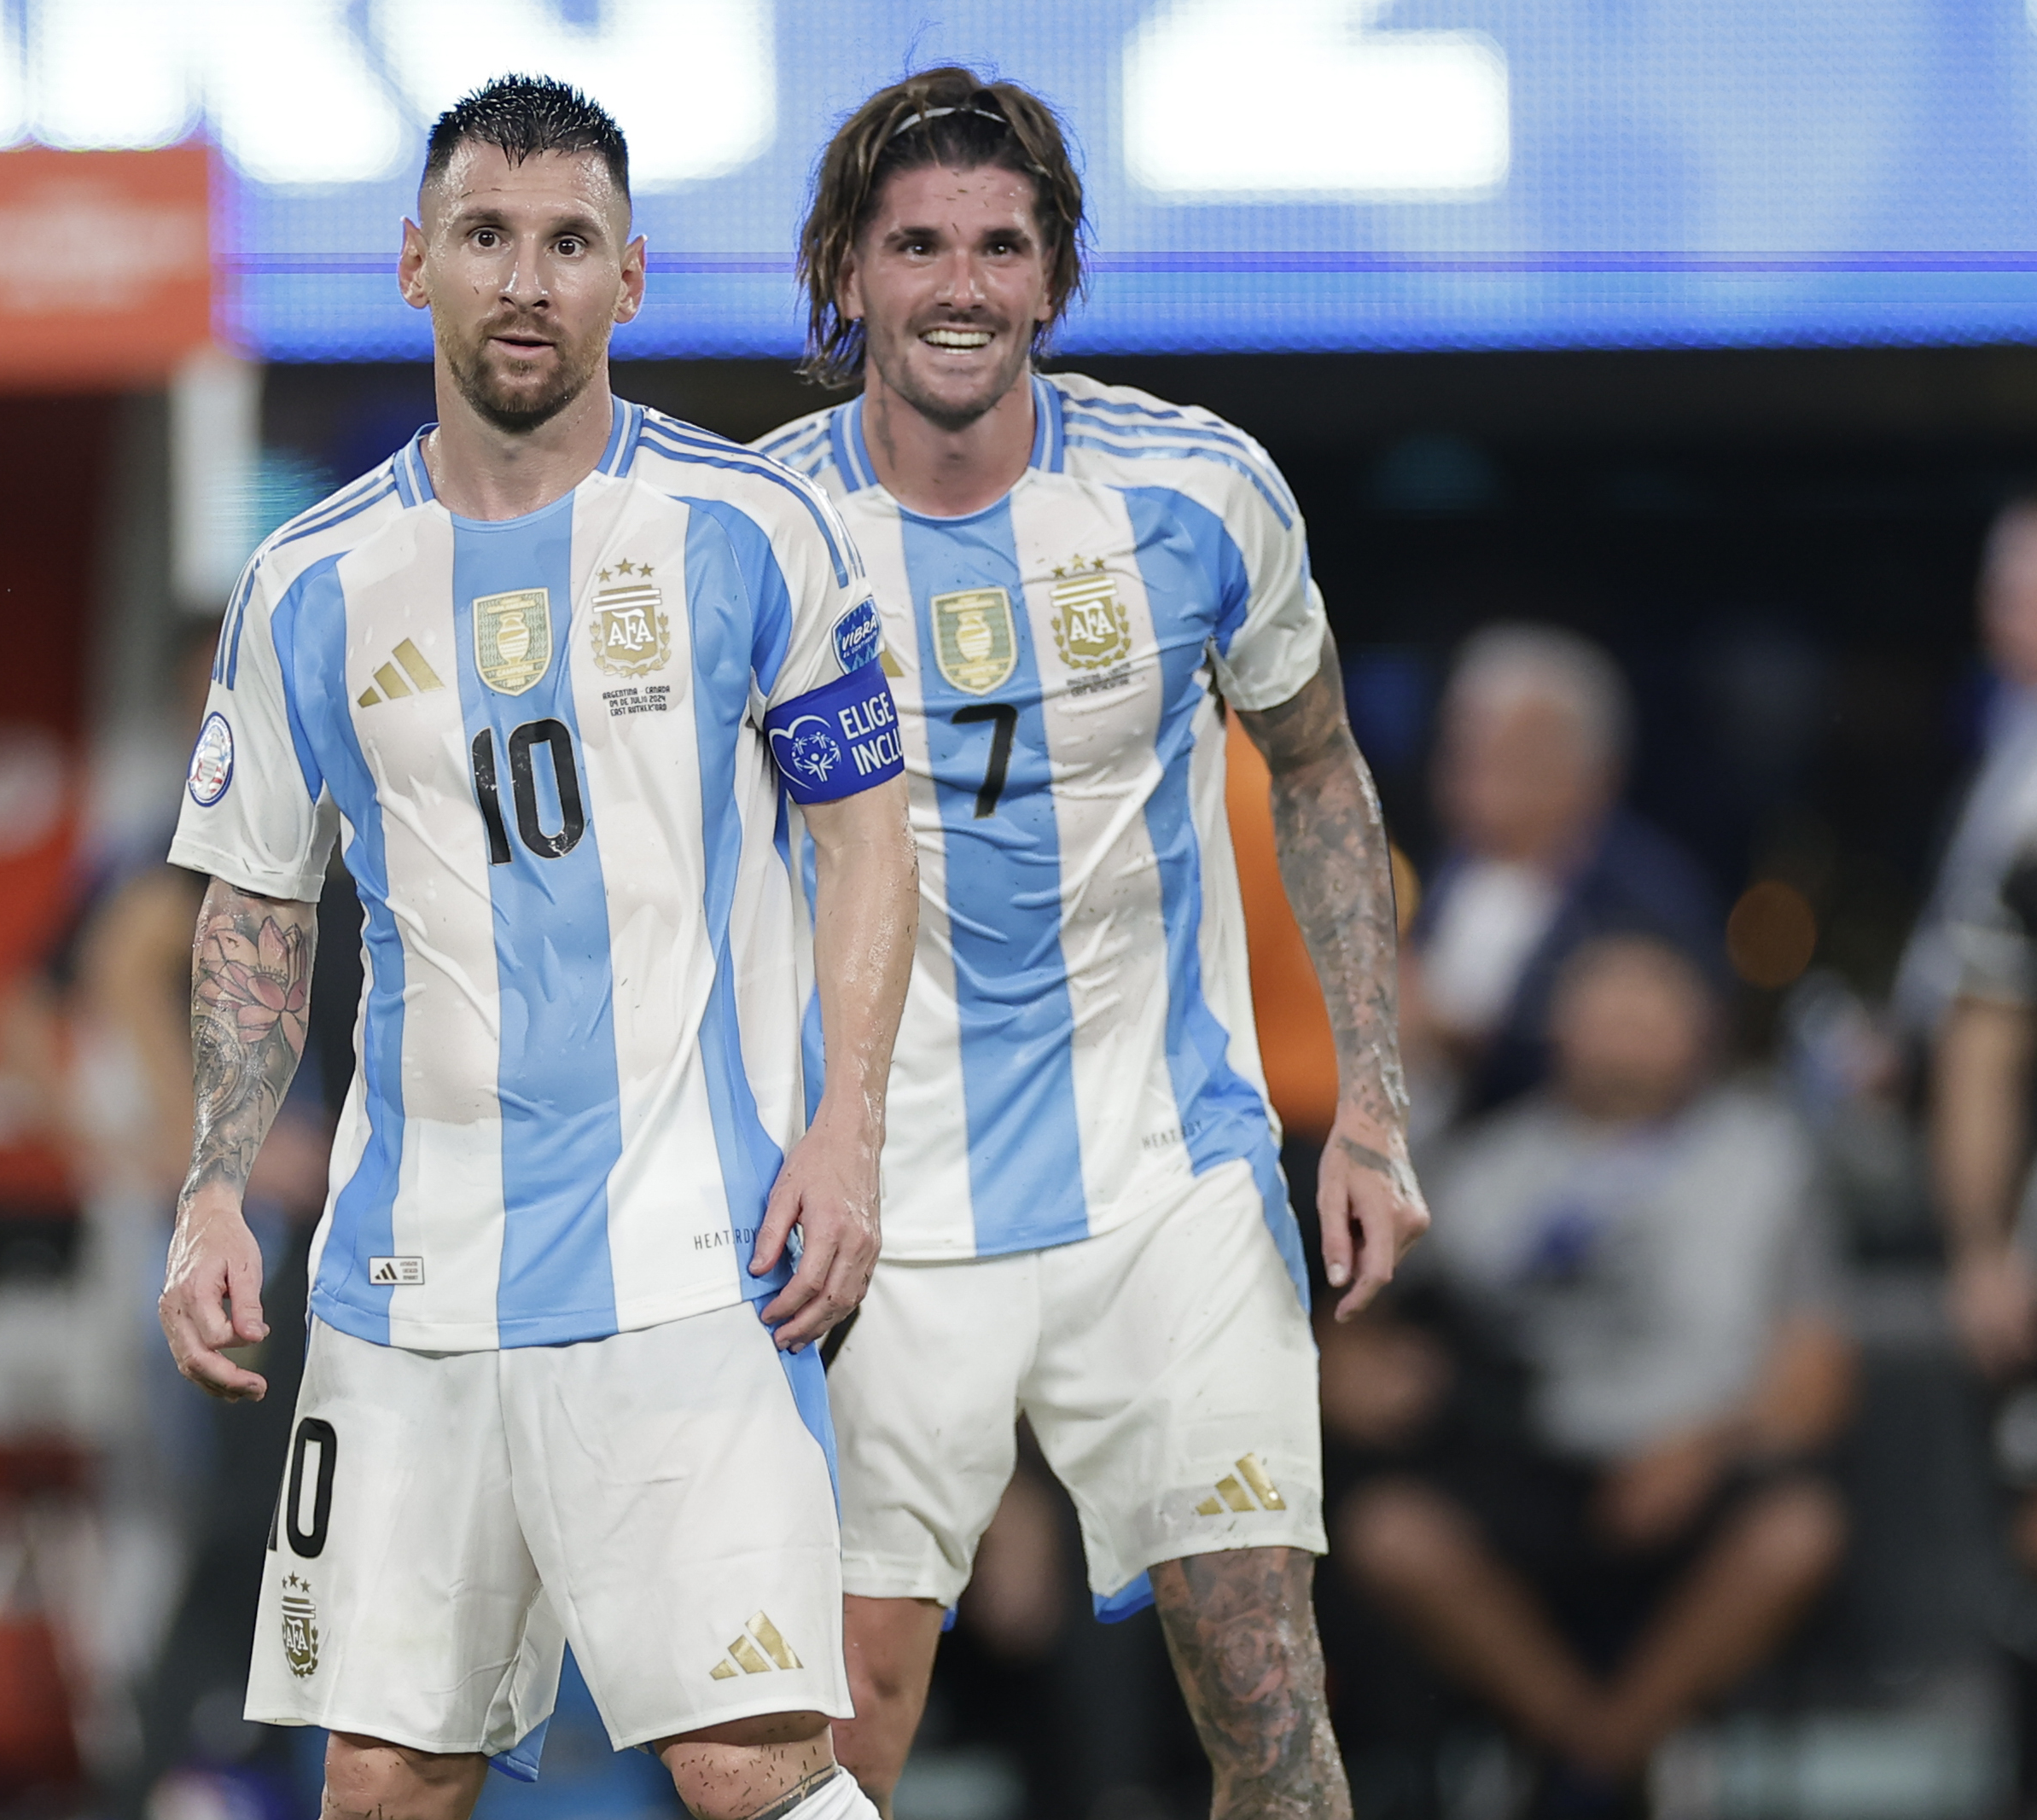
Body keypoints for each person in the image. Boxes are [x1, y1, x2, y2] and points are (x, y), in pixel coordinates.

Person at [154, 77, 917, 1820]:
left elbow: (868, 835)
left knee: (747, 1764)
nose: (524, 279)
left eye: (568, 242)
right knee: (384, 1779)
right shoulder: (309, 579)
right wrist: (212, 1184)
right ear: (414, 259)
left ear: (628, 280)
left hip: (691, 1258)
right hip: (407, 1282)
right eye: (486, 236)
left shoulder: (749, 530)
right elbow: (258, 904)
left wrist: (847, 1126)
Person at [754, 69, 1426, 1820]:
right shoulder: (749, 534)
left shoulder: (1198, 492)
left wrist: (1368, 1102)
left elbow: (1322, 770)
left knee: (1265, 1671)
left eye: (998, 243)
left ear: (1053, 276)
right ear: (845, 270)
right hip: (876, 1203)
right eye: (915, 245)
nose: (959, 283)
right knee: (837, 1720)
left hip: (1165, 1176)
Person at [1329, 935, 1854, 1788]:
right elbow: (1355, 1338)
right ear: (1554, 1031)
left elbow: (1818, 1379)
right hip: (1521, 1467)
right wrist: (1363, 1374)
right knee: (1387, 1534)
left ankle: (1594, 1758)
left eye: (1649, 1011)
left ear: (1701, 1031)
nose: (1625, 1032)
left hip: (1700, 1467)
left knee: (1797, 1535)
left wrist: (1699, 1450)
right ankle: (1596, 1750)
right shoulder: (1477, 1168)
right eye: (1603, 1011)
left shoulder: (1764, 1162)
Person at [1407, 624, 1718, 1124]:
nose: (1478, 777)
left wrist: (1474, 1040)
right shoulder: (1430, 874)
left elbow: (1647, 1061)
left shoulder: (1648, 898)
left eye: (1515, 755)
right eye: (1465, 750)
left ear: (1594, 765)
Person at [1896, 494, 2037, 1041]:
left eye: (2023, 594)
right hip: (1949, 1026)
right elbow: (1964, 911)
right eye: (1998, 591)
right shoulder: (2005, 725)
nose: (2002, 613)